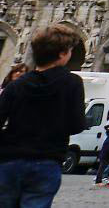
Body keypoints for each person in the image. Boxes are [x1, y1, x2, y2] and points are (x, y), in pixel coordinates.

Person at [0, 23, 86, 208]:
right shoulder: (72, 83)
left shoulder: (16, 85)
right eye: (70, 50)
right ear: (62, 54)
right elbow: (77, 124)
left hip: (10, 160)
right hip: (47, 160)